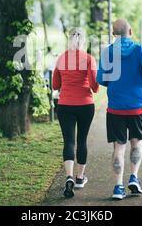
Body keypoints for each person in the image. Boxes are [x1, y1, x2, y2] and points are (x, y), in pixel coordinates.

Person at [97, 18, 142, 200]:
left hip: (115, 108)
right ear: (130, 31)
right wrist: (141, 81)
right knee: (136, 143)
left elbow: (101, 79)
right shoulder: (140, 49)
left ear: (114, 34)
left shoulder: (107, 52)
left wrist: (114, 83)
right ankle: (134, 178)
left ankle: (118, 187)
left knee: (119, 148)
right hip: (137, 106)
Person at [52, 28, 99, 198]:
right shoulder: (89, 59)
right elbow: (94, 86)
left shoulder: (61, 58)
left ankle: (69, 177)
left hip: (65, 105)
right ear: (83, 41)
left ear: (68, 40)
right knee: (82, 140)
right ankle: (80, 178)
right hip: (85, 105)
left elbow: (55, 85)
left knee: (69, 142)